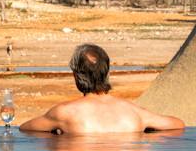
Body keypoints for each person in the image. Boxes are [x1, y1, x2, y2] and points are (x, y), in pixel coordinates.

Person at [20, 44, 185, 134]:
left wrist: (54, 136)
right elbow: (178, 124)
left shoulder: (64, 113)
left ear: (76, 75)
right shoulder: (134, 112)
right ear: (107, 72)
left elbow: (25, 128)